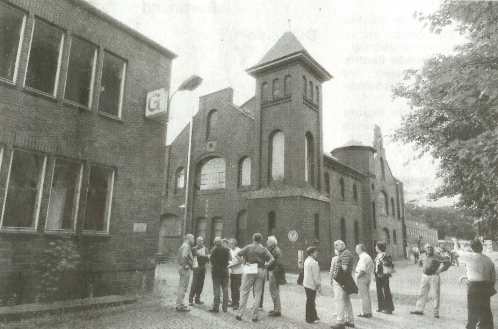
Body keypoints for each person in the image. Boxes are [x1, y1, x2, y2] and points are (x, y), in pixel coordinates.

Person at [235, 232, 275, 322]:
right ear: (260, 240)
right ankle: (255, 315)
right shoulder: (264, 249)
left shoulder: (248, 247)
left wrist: (243, 262)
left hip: (250, 268)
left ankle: (240, 314)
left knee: (245, 291)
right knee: (258, 293)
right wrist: (266, 265)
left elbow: (237, 254)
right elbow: (272, 259)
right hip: (261, 269)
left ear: (253, 239)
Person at [456, 239, 495, 329]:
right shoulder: (488, 260)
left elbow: (457, 251)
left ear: (472, 248)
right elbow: (493, 278)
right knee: (485, 311)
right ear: (481, 247)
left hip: (473, 287)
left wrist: (455, 242)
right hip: (486, 286)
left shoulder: (469, 257)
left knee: (472, 310)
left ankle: (471, 327)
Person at [410, 244, 451, 318]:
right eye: (427, 248)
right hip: (425, 276)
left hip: (434, 276)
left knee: (436, 294)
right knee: (422, 293)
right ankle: (419, 309)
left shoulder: (437, 256)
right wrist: (422, 266)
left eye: (431, 248)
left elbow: (448, 262)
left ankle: (436, 312)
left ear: (433, 249)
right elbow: (419, 263)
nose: (429, 249)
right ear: (425, 249)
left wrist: (440, 270)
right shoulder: (423, 255)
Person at [330, 240, 355, 329]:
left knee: (339, 300)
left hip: (341, 280)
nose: (335, 247)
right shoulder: (345, 253)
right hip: (344, 280)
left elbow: (344, 268)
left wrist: (337, 272)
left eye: (336, 245)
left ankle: (340, 322)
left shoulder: (345, 253)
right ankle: (350, 320)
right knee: (346, 300)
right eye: (335, 245)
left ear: (342, 245)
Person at [209, 237, 231, 313]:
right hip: (225, 271)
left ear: (215, 243)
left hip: (216, 272)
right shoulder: (227, 250)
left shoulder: (213, 250)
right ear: (221, 242)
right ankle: (225, 308)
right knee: (225, 289)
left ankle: (216, 307)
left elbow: (211, 261)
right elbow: (229, 259)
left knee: (217, 289)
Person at [374, 241, 394, 314]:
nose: (375, 247)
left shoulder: (385, 255)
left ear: (379, 247)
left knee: (386, 291)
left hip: (383, 275)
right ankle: (381, 307)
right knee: (379, 291)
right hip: (378, 275)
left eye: (376, 246)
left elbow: (388, 265)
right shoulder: (378, 255)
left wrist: (382, 270)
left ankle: (389, 308)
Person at [176, 234, 195, 312]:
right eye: (193, 238)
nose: (193, 240)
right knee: (183, 287)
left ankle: (180, 303)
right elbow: (184, 256)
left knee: (182, 286)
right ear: (188, 238)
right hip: (184, 268)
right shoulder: (186, 246)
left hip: (182, 267)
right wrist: (186, 265)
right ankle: (180, 305)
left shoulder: (184, 245)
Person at [189, 236, 209, 306]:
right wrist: (205, 256)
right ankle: (190, 299)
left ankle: (197, 298)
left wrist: (206, 258)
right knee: (194, 283)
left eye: (201, 241)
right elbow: (197, 255)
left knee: (201, 284)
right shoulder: (194, 249)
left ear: (203, 241)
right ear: (196, 242)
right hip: (196, 267)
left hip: (203, 267)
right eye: (198, 241)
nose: (200, 242)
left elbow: (207, 259)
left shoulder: (205, 249)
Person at [355, 243, 374, 318]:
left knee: (363, 296)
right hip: (367, 277)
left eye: (356, 249)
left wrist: (357, 277)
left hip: (362, 277)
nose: (356, 250)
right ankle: (367, 311)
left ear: (360, 249)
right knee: (366, 295)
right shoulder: (367, 256)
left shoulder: (363, 257)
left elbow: (362, 270)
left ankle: (366, 312)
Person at [303, 246, 321, 324]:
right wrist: (318, 286)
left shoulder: (306, 260)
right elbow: (316, 276)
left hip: (306, 283)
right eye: (315, 252)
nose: (316, 253)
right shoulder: (314, 262)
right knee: (310, 301)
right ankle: (309, 318)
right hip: (311, 284)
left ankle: (314, 315)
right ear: (311, 253)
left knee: (310, 300)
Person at [266, 235, 282, 317]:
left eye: (268, 241)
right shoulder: (276, 249)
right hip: (275, 272)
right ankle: (276, 308)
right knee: (275, 291)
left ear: (272, 243)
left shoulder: (274, 251)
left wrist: (267, 264)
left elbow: (273, 261)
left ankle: (277, 310)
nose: (267, 243)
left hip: (274, 272)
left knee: (274, 291)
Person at [228, 238, 243, 310]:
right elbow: (230, 260)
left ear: (235, 243)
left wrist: (231, 265)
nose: (230, 245)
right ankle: (233, 302)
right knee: (232, 287)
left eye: (232, 243)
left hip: (238, 272)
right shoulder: (230, 250)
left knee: (236, 288)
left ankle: (236, 303)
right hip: (232, 272)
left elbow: (241, 261)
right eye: (230, 243)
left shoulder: (239, 250)